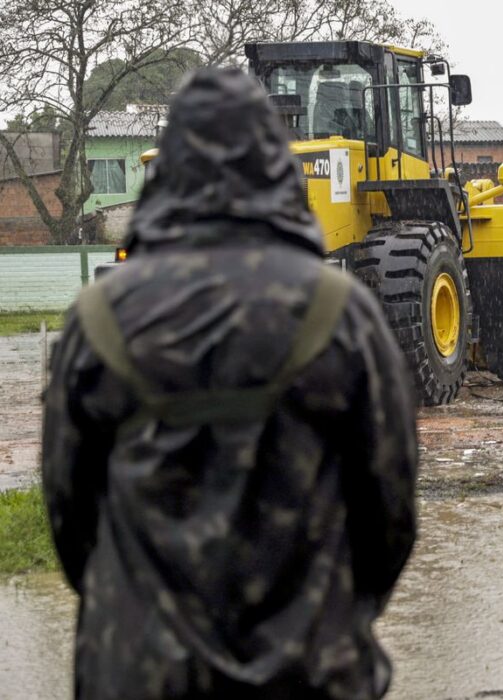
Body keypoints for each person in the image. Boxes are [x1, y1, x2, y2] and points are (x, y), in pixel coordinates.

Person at [41, 68, 418, 700]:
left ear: (166, 171)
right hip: (309, 674)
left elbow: (70, 515)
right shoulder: (341, 314)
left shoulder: (98, 319)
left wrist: (135, 614)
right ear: (277, 166)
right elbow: (390, 508)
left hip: (138, 676)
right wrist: (335, 615)